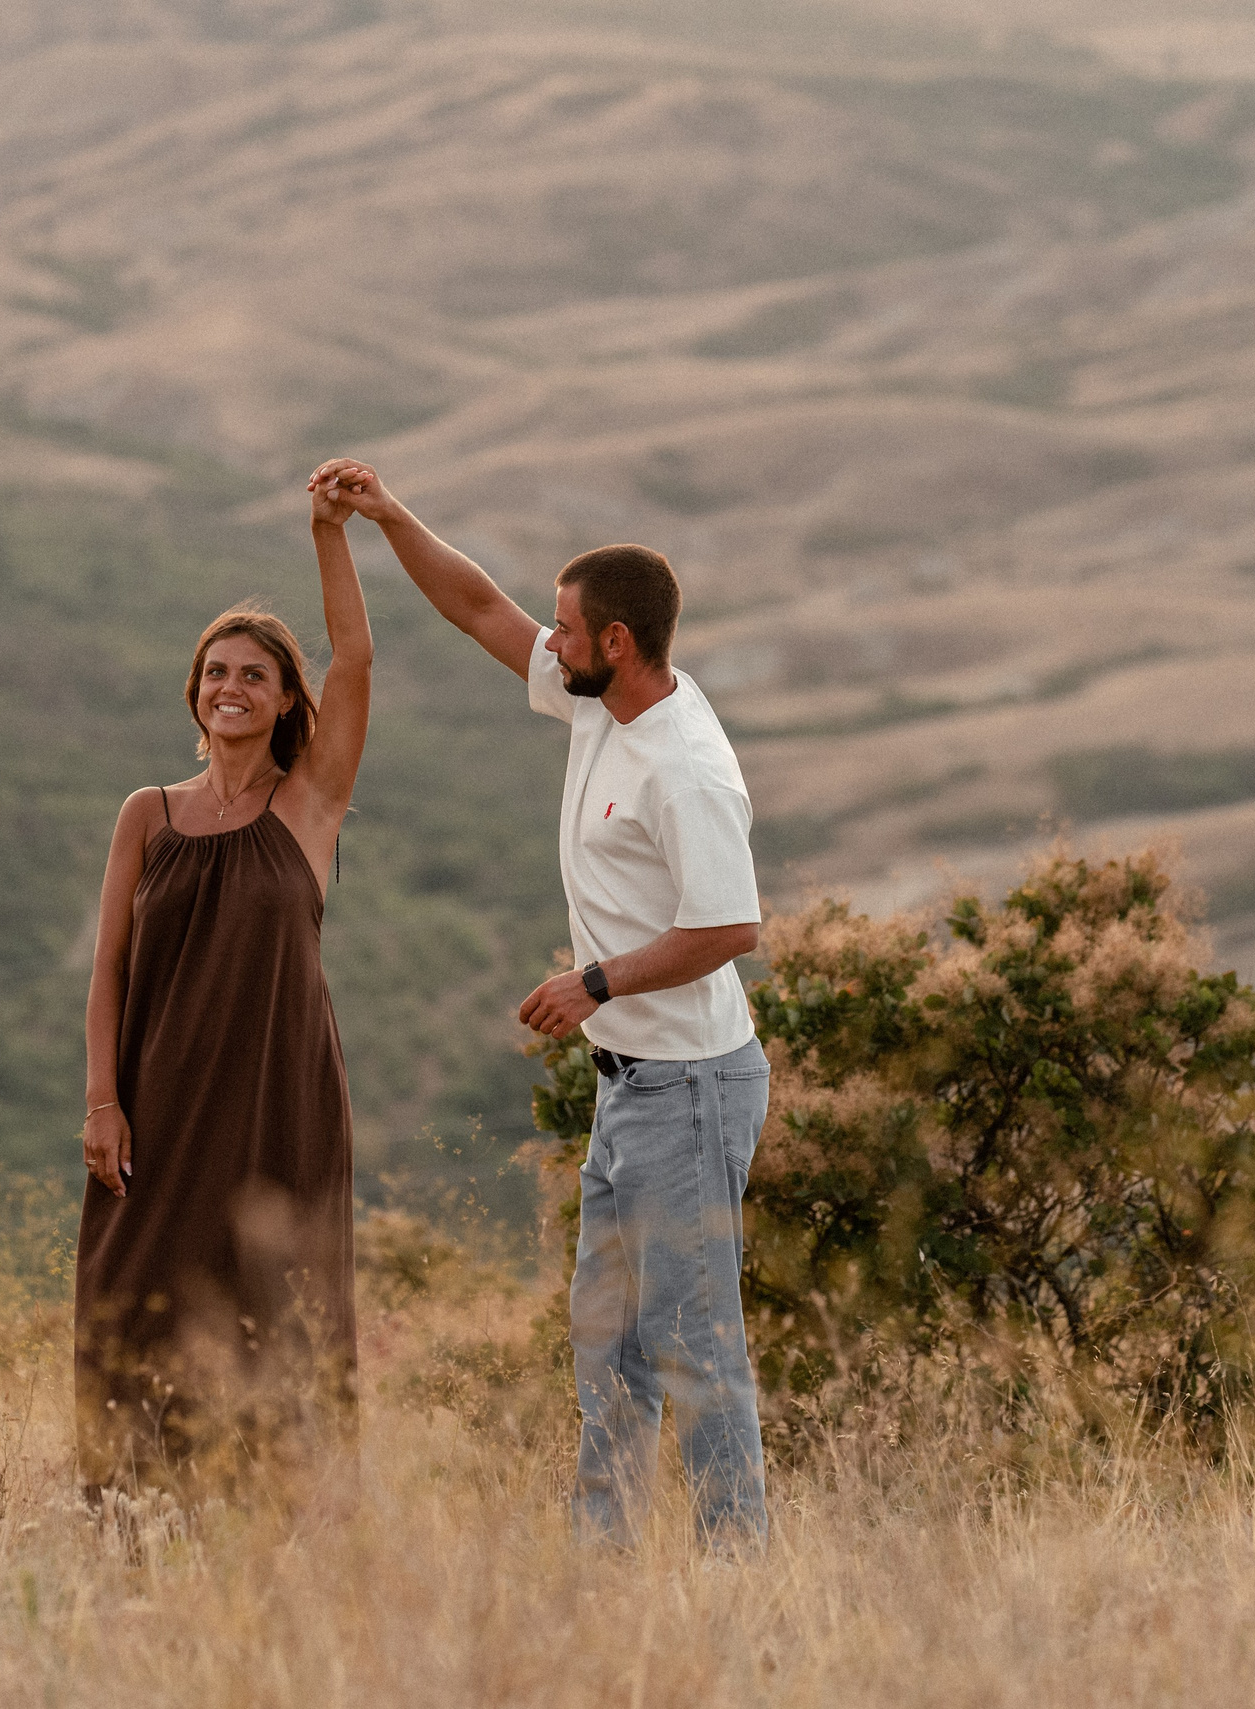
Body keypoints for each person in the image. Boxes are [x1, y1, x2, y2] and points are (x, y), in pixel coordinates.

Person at [307, 456, 768, 1548]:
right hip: (628, 1087)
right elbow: (476, 607)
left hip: (691, 1088)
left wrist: (593, 980)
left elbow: (730, 927)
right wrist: (384, 515)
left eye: (564, 630)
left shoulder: (683, 765)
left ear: (615, 641)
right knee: (605, 1336)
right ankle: (600, 1565)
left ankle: (737, 1576)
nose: (546, 640)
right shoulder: (603, 705)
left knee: (694, 1342)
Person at [73, 471, 374, 1497]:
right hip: (154, 1106)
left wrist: (326, 530)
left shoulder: (310, 806)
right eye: (213, 670)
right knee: (132, 1296)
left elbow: (358, 656)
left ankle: (283, 1518)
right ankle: (135, 1516)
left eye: (253, 671)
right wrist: (103, 1101)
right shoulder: (147, 814)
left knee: (275, 1302)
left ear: (288, 696)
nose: (229, 685)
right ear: (193, 690)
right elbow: (108, 966)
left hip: (275, 1109)